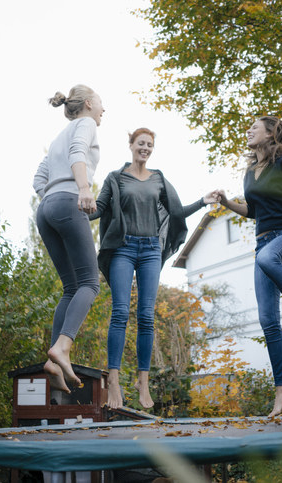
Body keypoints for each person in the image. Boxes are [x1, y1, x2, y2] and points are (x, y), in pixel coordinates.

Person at [90, 127, 218, 409]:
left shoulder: (158, 179)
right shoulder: (116, 178)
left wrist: (202, 201)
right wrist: (80, 205)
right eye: (141, 143)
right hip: (123, 247)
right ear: (131, 145)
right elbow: (99, 209)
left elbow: (175, 213)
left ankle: (143, 381)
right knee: (121, 312)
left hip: (150, 250)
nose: (145, 148)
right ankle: (113, 380)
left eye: (149, 145)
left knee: (146, 316)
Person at [215, 115, 282, 417]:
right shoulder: (250, 172)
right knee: (267, 320)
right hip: (263, 241)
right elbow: (252, 210)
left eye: (255, 126)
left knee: (266, 259)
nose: (249, 130)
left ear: (271, 133)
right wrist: (226, 202)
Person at [32, 84, 105, 393]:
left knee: (71, 287)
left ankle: (52, 359)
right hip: (68, 201)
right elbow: (78, 153)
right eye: (102, 104)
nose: (104, 110)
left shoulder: (56, 139)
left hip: (45, 209)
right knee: (90, 283)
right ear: (88, 103)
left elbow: (38, 180)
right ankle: (62, 347)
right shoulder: (86, 123)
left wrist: (52, 199)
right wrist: (84, 188)